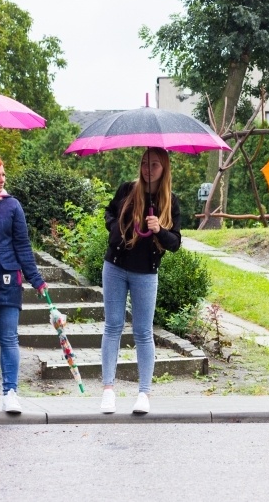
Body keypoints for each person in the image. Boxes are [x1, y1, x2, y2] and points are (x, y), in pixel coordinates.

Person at [100, 147, 181, 414]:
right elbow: (108, 214)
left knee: (143, 332)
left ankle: (144, 393)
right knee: (113, 326)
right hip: (115, 266)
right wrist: (117, 227)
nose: (148, 168)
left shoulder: (170, 201)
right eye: (145, 163)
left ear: (164, 167)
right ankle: (108, 390)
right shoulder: (127, 190)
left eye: (155, 164)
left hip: (146, 272)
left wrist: (160, 229)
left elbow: (175, 243)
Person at [0, 152, 47, 414]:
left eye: (3, 174)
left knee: (9, 339)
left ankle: (11, 391)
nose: (3, 179)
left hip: (8, 282)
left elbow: (22, 245)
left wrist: (37, 280)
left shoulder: (13, 206)